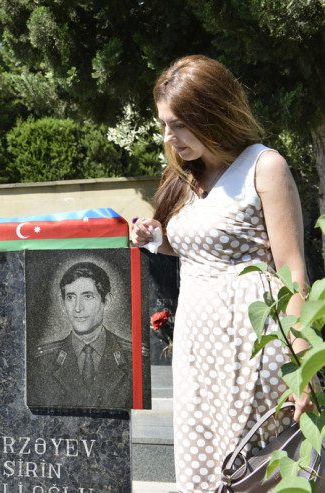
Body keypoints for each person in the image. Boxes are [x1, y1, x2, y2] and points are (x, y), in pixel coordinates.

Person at [130, 55, 311, 492]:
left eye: (179, 124)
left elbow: (292, 270)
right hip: (197, 347)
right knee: (203, 467)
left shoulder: (263, 166)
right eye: (164, 125)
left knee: (254, 470)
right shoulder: (185, 175)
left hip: (252, 344)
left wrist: (305, 367)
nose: (169, 137)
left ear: (213, 112)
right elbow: (196, 247)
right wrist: (155, 237)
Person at [30, 262, 132, 410]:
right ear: (63, 304)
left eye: (88, 296)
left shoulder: (133, 358)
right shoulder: (42, 362)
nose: (78, 308)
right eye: (71, 297)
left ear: (107, 301)